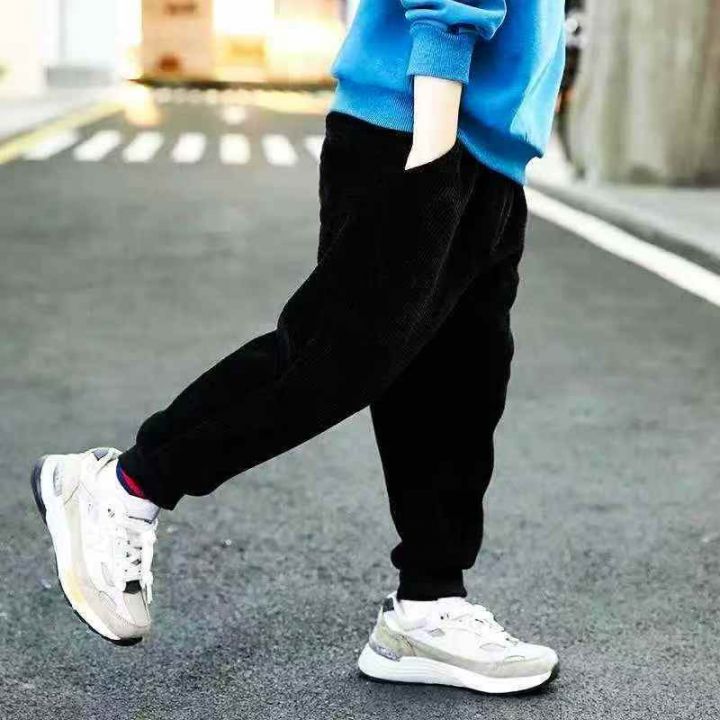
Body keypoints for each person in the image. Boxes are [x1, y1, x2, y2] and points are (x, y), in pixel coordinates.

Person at [32, 0, 565, 695]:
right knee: (333, 356)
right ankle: (125, 485)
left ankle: (428, 607)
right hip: (423, 123)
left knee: (457, 389)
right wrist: (434, 140)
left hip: (489, 149)